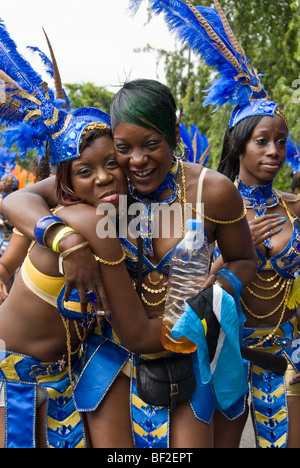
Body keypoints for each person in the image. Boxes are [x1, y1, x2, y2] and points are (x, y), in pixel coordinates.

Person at [3, 77, 257, 448]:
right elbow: (18, 200)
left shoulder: (212, 191)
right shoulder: (108, 186)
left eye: (151, 144)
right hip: (110, 353)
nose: (137, 161)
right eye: (124, 148)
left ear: (173, 132)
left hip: (184, 346)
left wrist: (217, 291)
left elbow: (243, 260)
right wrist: (67, 240)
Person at [129, 0, 300, 449]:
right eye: (262, 141)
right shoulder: (208, 200)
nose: (274, 152)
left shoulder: (289, 207)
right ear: (239, 146)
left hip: (280, 350)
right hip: (213, 347)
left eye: (281, 142)